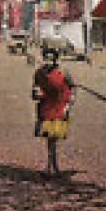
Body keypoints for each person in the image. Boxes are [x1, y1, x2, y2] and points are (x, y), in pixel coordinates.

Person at [31, 47, 75, 176]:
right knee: (49, 139)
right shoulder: (39, 73)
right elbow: (34, 91)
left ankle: (51, 166)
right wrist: (36, 94)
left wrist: (68, 105)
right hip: (45, 108)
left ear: (56, 59)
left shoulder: (63, 72)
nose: (49, 61)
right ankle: (52, 166)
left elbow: (72, 88)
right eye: (46, 58)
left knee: (53, 139)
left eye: (51, 59)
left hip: (59, 107)